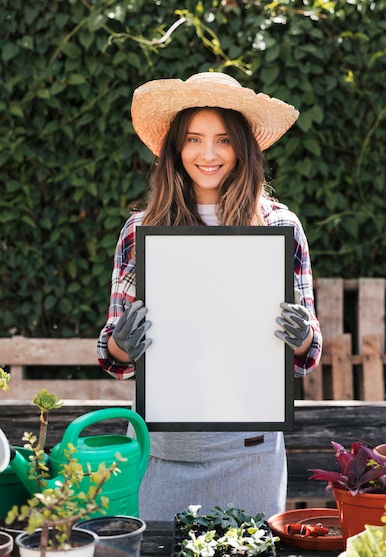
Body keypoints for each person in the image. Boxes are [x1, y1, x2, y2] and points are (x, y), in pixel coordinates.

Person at [97, 72, 322, 521]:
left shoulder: (279, 226)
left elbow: (307, 351)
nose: (208, 154)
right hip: (163, 448)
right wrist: (125, 340)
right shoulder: (141, 230)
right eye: (194, 140)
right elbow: (114, 354)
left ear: (242, 147)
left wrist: (299, 333)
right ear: (176, 150)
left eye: (222, 139)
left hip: (250, 449)